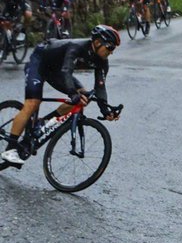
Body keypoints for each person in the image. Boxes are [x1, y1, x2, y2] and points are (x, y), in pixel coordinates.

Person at [1, 25, 122, 165]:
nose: (111, 52)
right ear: (97, 42)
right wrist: (72, 93)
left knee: (84, 97)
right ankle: (10, 149)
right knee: (33, 102)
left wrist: (105, 110)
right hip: (40, 63)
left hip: (56, 70)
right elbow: (66, 71)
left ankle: (44, 123)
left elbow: (100, 88)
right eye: (110, 47)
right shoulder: (76, 47)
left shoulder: (102, 62)